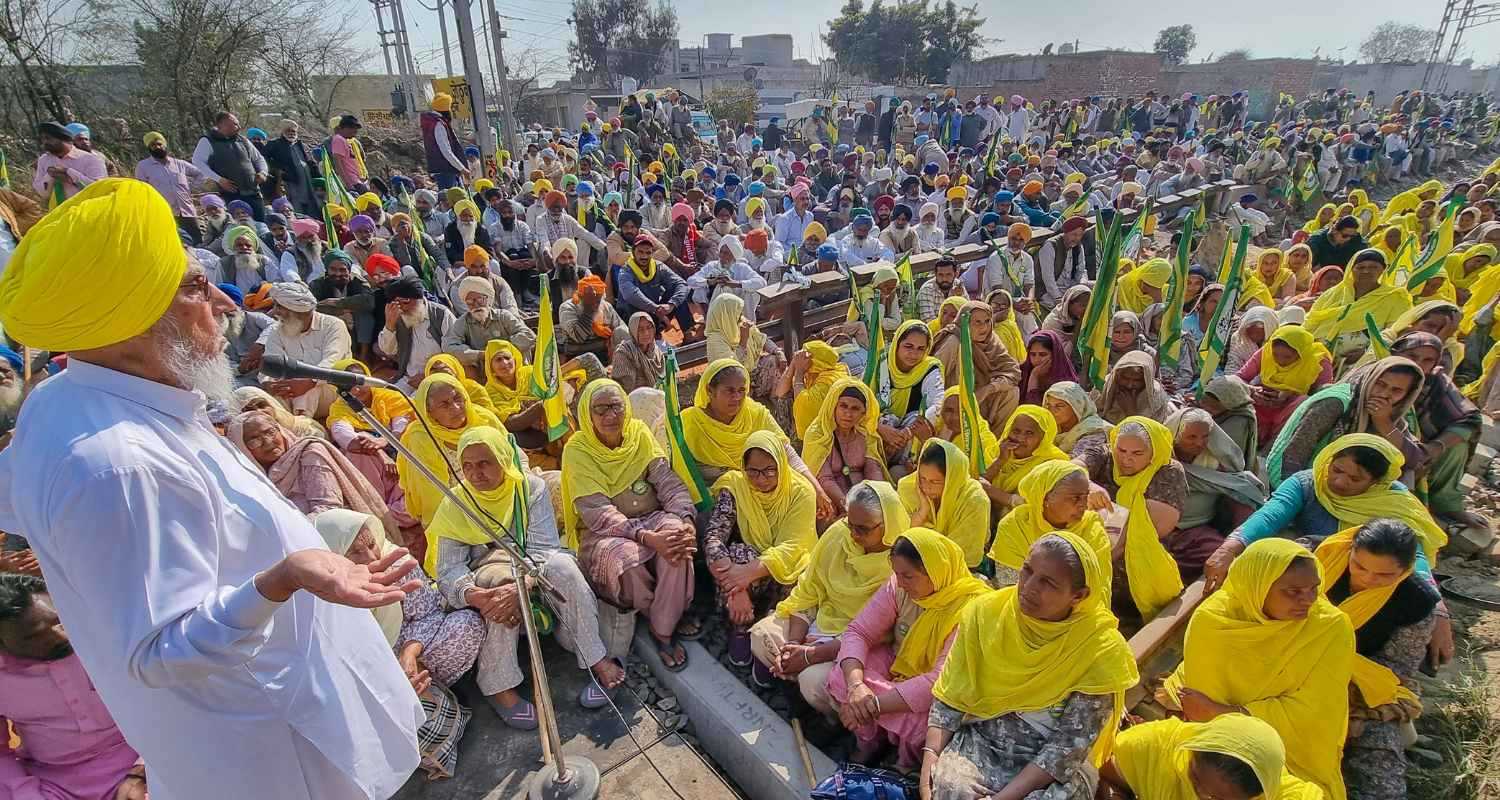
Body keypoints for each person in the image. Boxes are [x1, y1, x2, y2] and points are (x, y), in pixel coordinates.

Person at [0, 178, 424, 799]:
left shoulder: (70, 402)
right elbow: (156, 654)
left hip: (289, 709)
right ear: (131, 319)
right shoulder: (113, 463)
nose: (227, 305)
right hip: (269, 755)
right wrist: (287, 576)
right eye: (196, 287)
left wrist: (311, 549)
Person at [428, 426, 626, 720]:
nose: (475, 474)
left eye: (484, 463)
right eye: (467, 466)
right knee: (498, 585)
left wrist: (522, 583)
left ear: (503, 460)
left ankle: (595, 657)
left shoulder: (529, 488)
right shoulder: (455, 502)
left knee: (562, 566)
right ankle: (498, 684)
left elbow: (543, 547)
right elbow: (448, 569)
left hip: (532, 564)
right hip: (487, 575)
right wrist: (476, 595)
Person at [923, 532, 1137, 800]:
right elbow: (951, 697)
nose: (1028, 587)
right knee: (954, 788)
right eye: (1027, 570)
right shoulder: (986, 613)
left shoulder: (1101, 651)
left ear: (1078, 595)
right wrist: (929, 760)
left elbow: (1065, 749)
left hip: (1051, 766)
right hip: (983, 744)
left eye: (1047, 582)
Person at [1160, 539, 1355, 800]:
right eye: (1293, 591)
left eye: (1314, 588)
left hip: (1295, 750)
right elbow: (1204, 714)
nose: (1308, 600)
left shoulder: (1331, 627)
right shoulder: (1215, 621)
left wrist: (1227, 713)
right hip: (1224, 748)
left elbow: (1316, 711)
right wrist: (1218, 716)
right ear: (1257, 586)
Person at [313, 510, 480, 780]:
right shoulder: (322, 595)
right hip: (369, 671)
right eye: (354, 553)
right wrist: (388, 681)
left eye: (371, 544)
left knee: (466, 625)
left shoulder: (397, 562)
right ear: (334, 558)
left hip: (410, 647)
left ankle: (429, 691)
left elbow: (428, 613)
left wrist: (409, 655)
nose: (371, 557)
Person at [564, 380, 698, 671]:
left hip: (650, 517)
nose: (610, 415)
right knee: (626, 559)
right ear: (587, 415)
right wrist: (646, 537)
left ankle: (662, 625)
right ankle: (665, 615)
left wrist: (685, 518)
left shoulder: (639, 434)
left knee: (677, 539)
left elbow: (668, 483)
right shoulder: (578, 450)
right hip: (604, 532)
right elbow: (598, 513)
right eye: (600, 409)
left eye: (616, 406)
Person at [829, 527, 989, 768]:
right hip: (900, 666)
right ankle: (870, 743)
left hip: (940, 693)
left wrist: (871, 704)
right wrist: (856, 686)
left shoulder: (973, 609)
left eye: (909, 576)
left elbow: (938, 682)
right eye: (898, 575)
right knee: (843, 676)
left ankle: (903, 765)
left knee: (924, 724)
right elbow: (858, 632)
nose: (901, 584)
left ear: (936, 573)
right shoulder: (898, 586)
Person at [1313, 520, 1439, 800]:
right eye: (1359, 566)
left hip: (1361, 689)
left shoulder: (1416, 602)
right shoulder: (1315, 559)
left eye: (1384, 575)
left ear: (1405, 570)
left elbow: (1395, 668)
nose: (1367, 579)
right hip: (1281, 670)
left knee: (1379, 771)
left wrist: (1344, 699)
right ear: (1350, 550)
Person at [753, 480, 907, 706]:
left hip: (858, 641)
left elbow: (879, 633)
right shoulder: (838, 534)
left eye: (863, 529)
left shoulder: (901, 563)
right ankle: (791, 676)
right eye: (850, 524)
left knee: (813, 681)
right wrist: (794, 645)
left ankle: (828, 716)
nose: (853, 535)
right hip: (820, 618)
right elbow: (809, 590)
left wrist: (810, 655)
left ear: (888, 524)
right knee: (761, 634)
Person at [0, 573, 149, 800]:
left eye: (58, 620)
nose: (61, 635)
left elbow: (169, 704)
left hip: (143, 756)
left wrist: (141, 772)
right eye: (35, 636)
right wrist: (26, 794)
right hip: (54, 782)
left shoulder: (103, 635)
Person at [703, 431, 818, 672]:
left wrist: (745, 574)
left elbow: (793, 546)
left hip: (782, 570)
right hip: (747, 572)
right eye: (753, 471)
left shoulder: (801, 491)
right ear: (743, 468)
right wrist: (737, 585)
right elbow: (714, 536)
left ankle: (770, 640)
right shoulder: (735, 486)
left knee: (803, 570)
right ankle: (740, 627)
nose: (761, 479)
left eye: (769, 470)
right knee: (737, 553)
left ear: (781, 465)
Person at [677, 359, 828, 515]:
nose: (736, 397)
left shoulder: (755, 413)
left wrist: (817, 489)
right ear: (710, 390)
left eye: (742, 390)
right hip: (718, 502)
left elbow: (785, 451)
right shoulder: (689, 423)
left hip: (764, 489)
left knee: (805, 492)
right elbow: (681, 474)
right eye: (729, 390)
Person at [228, 409, 399, 537]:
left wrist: (282, 533)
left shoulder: (309, 453)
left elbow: (328, 509)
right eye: (254, 440)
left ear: (280, 430)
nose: (267, 442)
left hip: (343, 539)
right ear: (243, 448)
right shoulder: (251, 478)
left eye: (270, 432)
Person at [1263, 357, 1425, 487]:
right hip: (1298, 479)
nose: (1384, 394)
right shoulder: (1337, 402)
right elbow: (1295, 451)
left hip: (1345, 484)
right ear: (1370, 378)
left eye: (1396, 391)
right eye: (1380, 384)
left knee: (1403, 475)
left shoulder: (1390, 413)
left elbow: (1414, 459)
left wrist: (1383, 424)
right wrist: (1293, 493)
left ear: (1407, 395)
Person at [1104, 714, 1324, 800]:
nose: (1201, 795)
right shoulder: (1155, 745)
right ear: (1192, 751)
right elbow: (1107, 777)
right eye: (1195, 778)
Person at [1164, 407, 1266, 583]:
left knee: (1218, 555)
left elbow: (1236, 487)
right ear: (1175, 435)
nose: (1199, 443)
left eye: (1205, 437)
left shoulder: (1213, 461)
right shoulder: (1159, 458)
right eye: (1192, 437)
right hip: (1158, 528)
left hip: (1196, 529)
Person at [988, 461, 1111, 589]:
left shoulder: (1092, 528)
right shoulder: (1016, 525)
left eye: (1086, 496)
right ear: (1046, 497)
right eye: (1075, 498)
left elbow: (1098, 588)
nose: (1084, 505)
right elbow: (1009, 585)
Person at [1305, 248, 1411, 369]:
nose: (1366, 271)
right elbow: (1311, 321)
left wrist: (1367, 352)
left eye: (1373, 267)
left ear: (1383, 269)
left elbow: (1396, 332)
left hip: (1364, 359)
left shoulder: (1395, 297)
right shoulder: (1333, 293)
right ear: (1351, 269)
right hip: (1318, 353)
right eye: (1360, 267)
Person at [259, 282, 353, 416]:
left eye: (279, 307)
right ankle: (288, 429)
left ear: (298, 312)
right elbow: (270, 363)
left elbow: (332, 362)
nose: (275, 311)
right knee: (268, 398)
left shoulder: (334, 326)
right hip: (291, 390)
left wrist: (310, 382)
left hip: (333, 390)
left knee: (307, 394)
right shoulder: (277, 330)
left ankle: (304, 430)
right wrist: (269, 383)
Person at [1237, 325, 1335, 448]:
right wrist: (1252, 390)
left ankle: (1275, 447)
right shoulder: (1266, 352)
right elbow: (1240, 377)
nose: (1280, 361)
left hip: (1291, 410)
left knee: (1302, 402)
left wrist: (1291, 394)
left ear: (1301, 353)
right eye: (1276, 355)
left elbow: (1324, 396)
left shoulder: (1318, 362)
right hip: (1261, 402)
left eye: (1288, 357)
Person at [801, 378, 889, 513]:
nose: (848, 414)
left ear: (863, 413)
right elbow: (825, 479)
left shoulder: (865, 435)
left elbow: (873, 470)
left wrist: (879, 500)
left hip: (863, 499)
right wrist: (848, 508)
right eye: (843, 406)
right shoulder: (818, 434)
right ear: (833, 406)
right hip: (829, 501)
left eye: (855, 408)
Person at [898, 439, 990, 568]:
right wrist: (920, 515)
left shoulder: (974, 500)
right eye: (923, 478)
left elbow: (961, 553)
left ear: (952, 479)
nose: (926, 487)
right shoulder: (909, 488)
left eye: (935, 482)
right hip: (916, 562)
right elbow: (901, 540)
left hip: (957, 568)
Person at [932, 300, 1020, 432]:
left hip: (980, 398)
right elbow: (934, 378)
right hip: (954, 401)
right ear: (965, 322)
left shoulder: (991, 340)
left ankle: (994, 442)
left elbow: (1012, 372)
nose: (983, 327)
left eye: (987, 321)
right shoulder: (954, 341)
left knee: (1011, 392)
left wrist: (988, 389)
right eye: (977, 322)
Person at [704, 293, 786, 409]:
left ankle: (777, 401)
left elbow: (762, 338)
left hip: (752, 372)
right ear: (726, 314)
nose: (741, 315)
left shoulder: (740, 322)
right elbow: (730, 368)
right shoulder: (715, 339)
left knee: (774, 361)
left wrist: (778, 351)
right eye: (737, 312)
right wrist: (743, 340)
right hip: (732, 381)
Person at [984, 403, 1071, 510]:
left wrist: (994, 492)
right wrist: (1000, 460)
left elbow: (1036, 508)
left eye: (1029, 433)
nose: (1020, 438)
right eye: (1016, 431)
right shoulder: (999, 450)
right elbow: (979, 482)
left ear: (1043, 438)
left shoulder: (1052, 464)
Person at [378, 276, 457, 390]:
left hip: (438, 376)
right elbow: (388, 350)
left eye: (405, 303)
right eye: (397, 304)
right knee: (388, 399)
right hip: (408, 378)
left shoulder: (441, 314)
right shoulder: (399, 317)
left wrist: (428, 375)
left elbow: (454, 354)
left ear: (420, 298)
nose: (402, 308)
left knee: (415, 404)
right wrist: (389, 325)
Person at [192, 112, 268, 221]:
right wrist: (219, 179)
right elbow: (197, 161)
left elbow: (258, 159)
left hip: (253, 192)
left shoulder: (243, 140)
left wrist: (263, 172)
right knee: (241, 226)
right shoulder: (208, 141)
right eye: (235, 124)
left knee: (261, 224)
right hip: (232, 195)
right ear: (223, 125)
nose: (239, 127)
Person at [616, 234, 695, 337]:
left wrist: (671, 305)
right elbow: (630, 294)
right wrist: (655, 309)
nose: (644, 256)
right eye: (640, 252)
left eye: (648, 252)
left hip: (656, 312)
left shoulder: (658, 267)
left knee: (677, 294)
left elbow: (682, 284)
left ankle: (688, 333)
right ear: (633, 252)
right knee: (630, 307)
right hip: (633, 316)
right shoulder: (625, 271)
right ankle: (646, 337)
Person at [136, 130, 207, 244]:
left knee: (197, 242)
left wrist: (192, 188)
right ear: (149, 148)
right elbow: (142, 189)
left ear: (164, 145)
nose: (158, 147)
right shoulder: (143, 166)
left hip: (187, 211)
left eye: (159, 144)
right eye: (153, 145)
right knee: (175, 244)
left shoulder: (179, 164)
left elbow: (200, 174)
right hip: (165, 213)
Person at [33, 121, 108, 206]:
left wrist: (69, 173)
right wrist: (50, 175)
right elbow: (43, 193)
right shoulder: (44, 160)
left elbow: (100, 189)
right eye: (43, 139)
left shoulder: (91, 159)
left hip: (87, 210)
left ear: (64, 139)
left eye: (49, 138)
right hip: (59, 213)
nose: (45, 142)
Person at [1093, 350, 1173, 424]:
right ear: (1117, 375)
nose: (1129, 385)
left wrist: (1131, 412)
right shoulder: (1102, 386)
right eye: (1125, 378)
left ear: (1146, 380)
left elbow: (1153, 430)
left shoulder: (1156, 397)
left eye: (1137, 380)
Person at [558, 272, 626, 355]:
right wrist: (588, 310)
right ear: (581, 296)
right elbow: (578, 337)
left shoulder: (606, 307)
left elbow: (621, 328)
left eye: (598, 299)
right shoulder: (568, 308)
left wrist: (612, 339)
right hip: (577, 356)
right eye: (590, 299)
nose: (595, 303)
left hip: (604, 354)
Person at [1043, 380, 1112, 458]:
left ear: (1076, 407)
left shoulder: (1094, 431)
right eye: (1048, 405)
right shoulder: (1049, 427)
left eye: (1059, 406)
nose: (1051, 411)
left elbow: (1078, 462)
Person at [421, 93, 469, 190]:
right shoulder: (438, 124)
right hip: (445, 171)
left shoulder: (431, 122)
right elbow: (446, 151)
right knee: (450, 200)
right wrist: (462, 169)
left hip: (442, 170)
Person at [612, 311, 667, 394]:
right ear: (633, 331)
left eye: (649, 327)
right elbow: (626, 388)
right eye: (640, 329)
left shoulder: (656, 351)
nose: (646, 333)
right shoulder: (623, 353)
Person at [1225, 305, 1279, 375]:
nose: (1254, 336)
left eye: (1258, 333)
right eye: (1250, 332)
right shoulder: (1238, 338)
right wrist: (1233, 378)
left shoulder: (1277, 341)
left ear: (1268, 329)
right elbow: (1233, 361)